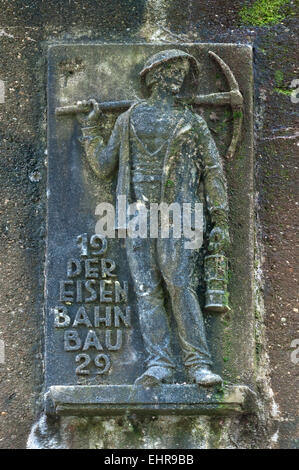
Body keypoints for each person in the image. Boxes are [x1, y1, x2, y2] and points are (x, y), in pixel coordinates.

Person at [80, 49, 230, 386]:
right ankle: (160, 363)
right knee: (148, 289)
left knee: (180, 284)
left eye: (181, 71)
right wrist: (90, 129)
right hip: (137, 214)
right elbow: (104, 166)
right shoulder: (128, 120)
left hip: (180, 213)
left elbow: (214, 171)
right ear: (152, 76)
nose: (178, 76)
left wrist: (220, 218)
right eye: (171, 70)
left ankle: (197, 363)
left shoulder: (192, 122)